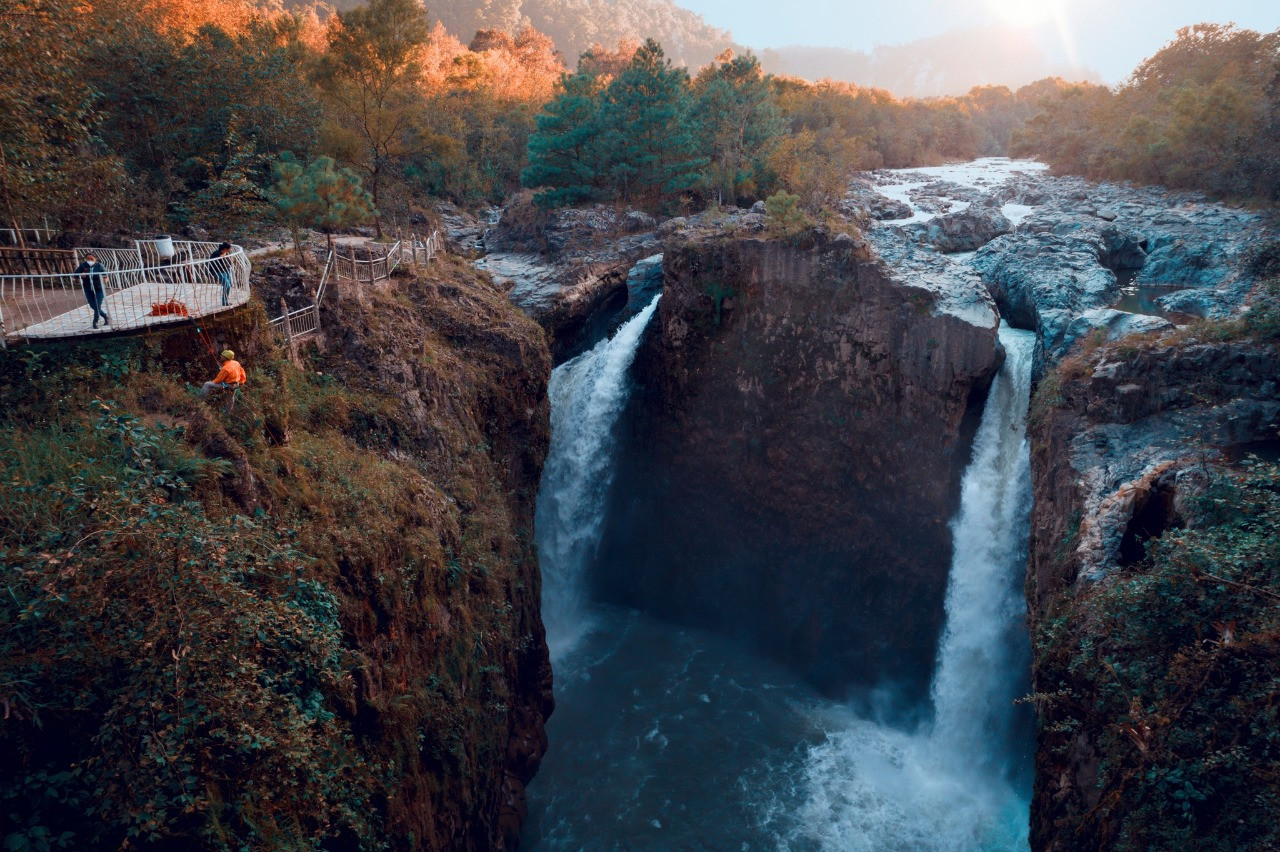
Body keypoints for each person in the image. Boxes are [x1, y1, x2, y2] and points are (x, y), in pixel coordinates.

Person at [75, 252, 110, 329]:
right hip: (88, 287)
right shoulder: (83, 265)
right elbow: (75, 274)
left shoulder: (99, 266)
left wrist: (105, 280)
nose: (89, 260)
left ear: (95, 259)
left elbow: (105, 276)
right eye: (88, 259)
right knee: (92, 305)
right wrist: (81, 274)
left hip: (99, 288)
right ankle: (105, 316)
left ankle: (95, 321)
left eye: (91, 259)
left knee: (97, 305)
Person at [211, 242, 233, 306]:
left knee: (228, 285)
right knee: (227, 285)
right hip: (218, 271)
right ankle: (224, 302)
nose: (230, 250)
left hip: (225, 271)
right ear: (226, 248)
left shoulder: (223, 252)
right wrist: (224, 254)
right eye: (229, 249)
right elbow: (219, 257)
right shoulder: (216, 253)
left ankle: (225, 301)